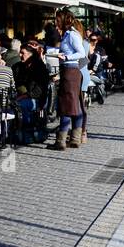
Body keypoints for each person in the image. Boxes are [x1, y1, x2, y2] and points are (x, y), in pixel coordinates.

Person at [49, 11, 89, 150]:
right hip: (69, 72)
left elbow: (81, 53)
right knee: (73, 105)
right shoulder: (67, 34)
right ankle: (75, 139)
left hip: (71, 72)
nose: (55, 22)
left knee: (67, 106)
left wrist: (65, 57)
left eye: (57, 19)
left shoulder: (72, 34)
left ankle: (60, 141)